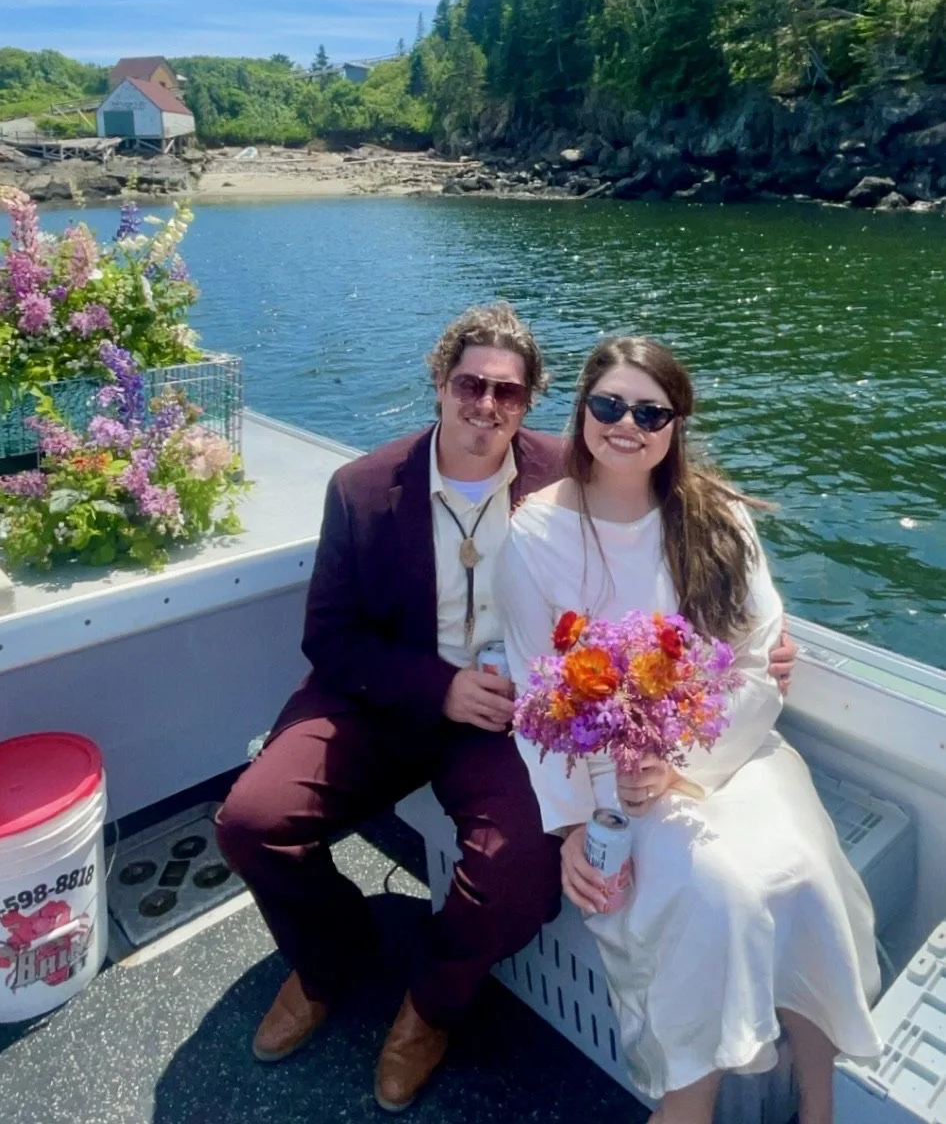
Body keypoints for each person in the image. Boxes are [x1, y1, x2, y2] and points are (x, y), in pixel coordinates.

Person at [496, 335, 881, 1124]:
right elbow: (538, 703)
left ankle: (820, 1106)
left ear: (675, 424)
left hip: (727, 750)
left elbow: (751, 666)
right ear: (582, 411)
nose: (626, 424)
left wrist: (683, 761)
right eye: (608, 405)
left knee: (805, 875)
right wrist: (572, 830)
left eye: (650, 410)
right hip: (613, 778)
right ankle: (687, 1108)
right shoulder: (534, 537)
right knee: (720, 897)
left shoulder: (716, 517)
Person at [215, 302, 569, 1113]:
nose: (486, 406)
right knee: (251, 823)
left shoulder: (565, 477)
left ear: (529, 402)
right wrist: (436, 685)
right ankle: (330, 959)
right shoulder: (365, 488)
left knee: (521, 873)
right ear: (440, 385)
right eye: (470, 384)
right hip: (378, 696)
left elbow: (656, 525)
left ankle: (431, 1005)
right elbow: (330, 638)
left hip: (500, 720)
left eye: (507, 393)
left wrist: (742, 628)